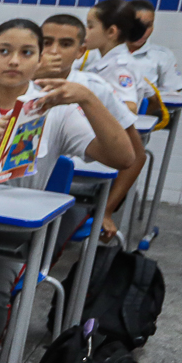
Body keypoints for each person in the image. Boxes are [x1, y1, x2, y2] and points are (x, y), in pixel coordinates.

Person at [0, 19, 131, 363]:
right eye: (4, 51)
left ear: (39, 60)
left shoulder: (54, 110)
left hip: (10, 238)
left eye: (26, 53)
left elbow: (123, 156)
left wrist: (86, 98)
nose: (14, 61)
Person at [41, 13, 144, 242]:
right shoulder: (17, 83)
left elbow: (136, 156)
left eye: (66, 44)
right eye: (46, 42)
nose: (54, 51)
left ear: (80, 51)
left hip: (73, 185)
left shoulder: (93, 88)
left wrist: (106, 210)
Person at [73, 0, 142, 115]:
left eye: (90, 26)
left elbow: (130, 107)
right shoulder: (107, 62)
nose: (85, 32)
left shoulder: (119, 67)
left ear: (111, 32)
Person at [124, 0, 182, 96]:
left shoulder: (162, 56)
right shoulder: (106, 51)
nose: (142, 32)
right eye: (136, 26)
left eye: (148, 26)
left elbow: (173, 90)